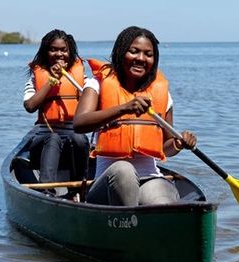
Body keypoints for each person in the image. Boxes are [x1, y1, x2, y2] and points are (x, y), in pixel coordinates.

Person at [73, 26, 196, 206]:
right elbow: (79, 123)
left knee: (163, 197)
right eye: (134, 51)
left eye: (148, 54)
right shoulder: (97, 84)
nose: (141, 58)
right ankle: (130, 224)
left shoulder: (163, 95)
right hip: (107, 184)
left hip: (150, 179)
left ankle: (155, 222)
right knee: (124, 170)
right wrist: (123, 109)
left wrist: (179, 143)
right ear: (121, 52)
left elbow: (166, 148)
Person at [23, 29, 89, 187]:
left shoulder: (81, 78)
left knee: (80, 138)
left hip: (72, 145)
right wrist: (52, 81)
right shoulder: (36, 77)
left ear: (70, 52)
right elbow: (30, 106)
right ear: (46, 52)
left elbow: (96, 103)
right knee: (53, 138)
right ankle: (47, 189)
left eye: (63, 50)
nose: (59, 54)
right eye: (53, 49)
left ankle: (79, 187)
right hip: (44, 143)